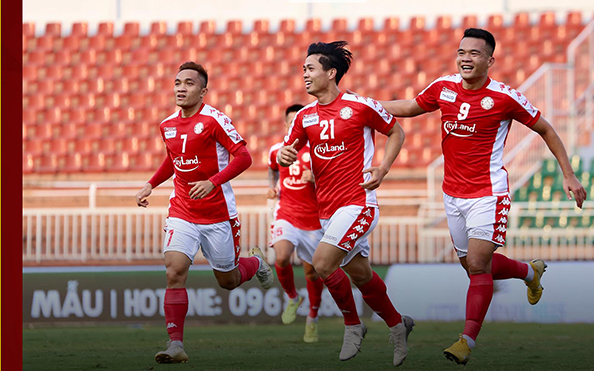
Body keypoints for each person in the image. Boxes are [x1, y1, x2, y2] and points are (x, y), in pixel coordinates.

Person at [376, 28, 587, 365]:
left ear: (490, 60)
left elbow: (545, 129)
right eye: (462, 52)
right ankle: (530, 272)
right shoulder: (443, 88)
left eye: (474, 53)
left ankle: (466, 341)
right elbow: (410, 106)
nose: (466, 58)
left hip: (488, 194)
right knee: (473, 265)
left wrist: (569, 174)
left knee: (477, 265)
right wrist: (366, 106)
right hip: (452, 195)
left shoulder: (504, 97)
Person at [277, 41, 414, 367]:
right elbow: (287, 149)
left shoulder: (360, 106)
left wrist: (382, 169)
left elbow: (396, 132)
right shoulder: (304, 116)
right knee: (362, 276)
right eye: (304, 69)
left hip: (358, 203)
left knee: (323, 264)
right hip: (326, 211)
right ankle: (398, 326)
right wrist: (286, 154)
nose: (305, 74)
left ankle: (353, 326)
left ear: (331, 72)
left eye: (310, 68)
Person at [134, 61, 274, 364]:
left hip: (218, 214)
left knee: (228, 281)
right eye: (177, 83)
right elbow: (174, 160)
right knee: (174, 272)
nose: (181, 88)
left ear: (203, 91)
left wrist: (213, 183)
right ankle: (176, 345)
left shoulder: (215, 120)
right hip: (182, 209)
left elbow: (244, 157)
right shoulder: (167, 125)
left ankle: (255, 262)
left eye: (189, 83)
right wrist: (150, 184)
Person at [267, 103, 325, 342]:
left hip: (313, 220)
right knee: (281, 256)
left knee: (312, 274)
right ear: (285, 124)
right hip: (286, 214)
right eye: (290, 122)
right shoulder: (276, 150)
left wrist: (316, 178)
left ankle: (312, 318)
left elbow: (333, 183)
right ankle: (292, 297)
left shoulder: (317, 150)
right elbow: (272, 169)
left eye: (297, 122)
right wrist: (271, 187)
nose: (293, 126)